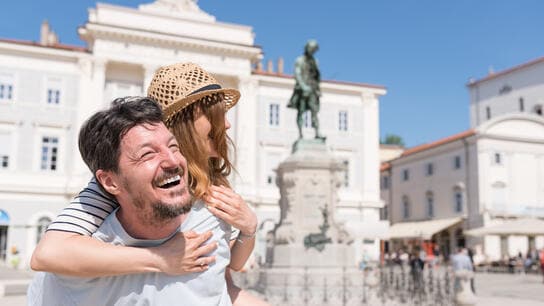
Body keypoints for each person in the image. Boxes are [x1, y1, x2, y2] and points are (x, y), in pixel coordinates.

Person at [31, 63, 267, 305]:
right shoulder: (114, 186)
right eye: (216, 115)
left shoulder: (211, 181)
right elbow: (48, 253)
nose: (227, 125)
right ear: (186, 125)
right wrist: (161, 258)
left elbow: (225, 267)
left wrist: (249, 229)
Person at [287, 39, 325, 140]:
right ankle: (300, 134)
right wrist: (303, 86)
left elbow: (317, 76)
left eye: (314, 50)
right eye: (311, 49)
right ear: (307, 48)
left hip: (312, 89)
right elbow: (297, 74)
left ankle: (317, 132)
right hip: (302, 89)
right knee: (301, 111)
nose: (312, 51)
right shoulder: (300, 60)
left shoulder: (315, 61)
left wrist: (317, 88)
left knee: (314, 111)